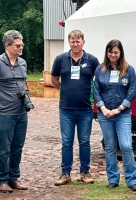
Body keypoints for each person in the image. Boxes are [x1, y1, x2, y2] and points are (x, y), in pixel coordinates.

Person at [0, 30, 30, 193]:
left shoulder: (22, 63)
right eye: (18, 45)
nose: (21, 47)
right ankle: (1, 180)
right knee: (3, 148)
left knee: (17, 147)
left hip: (21, 113)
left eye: (22, 44)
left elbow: (24, 83)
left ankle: (13, 177)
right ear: (7, 46)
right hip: (3, 114)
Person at [51, 30, 100, 186]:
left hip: (85, 108)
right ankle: (65, 173)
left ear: (83, 42)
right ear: (69, 42)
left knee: (84, 141)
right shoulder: (60, 59)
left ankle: (85, 172)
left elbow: (98, 80)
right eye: (72, 41)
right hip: (66, 108)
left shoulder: (92, 60)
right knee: (67, 142)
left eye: (78, 41)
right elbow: (54, 79)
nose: (75, 44)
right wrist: (64, 90)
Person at [93, 40, 136, 191]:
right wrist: (104, 109)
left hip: (122, 114)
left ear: (120, 53)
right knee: (110, 147)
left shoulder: (128, 70)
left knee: (126, 146)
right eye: (110, 52)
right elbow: (96, 91)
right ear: (107, 52)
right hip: (105, 114)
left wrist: (119, 109)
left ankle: (131, 180)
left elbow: (132, 91)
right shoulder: (100, 70)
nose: (113, 55)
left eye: (116, 52)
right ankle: (113, 178)